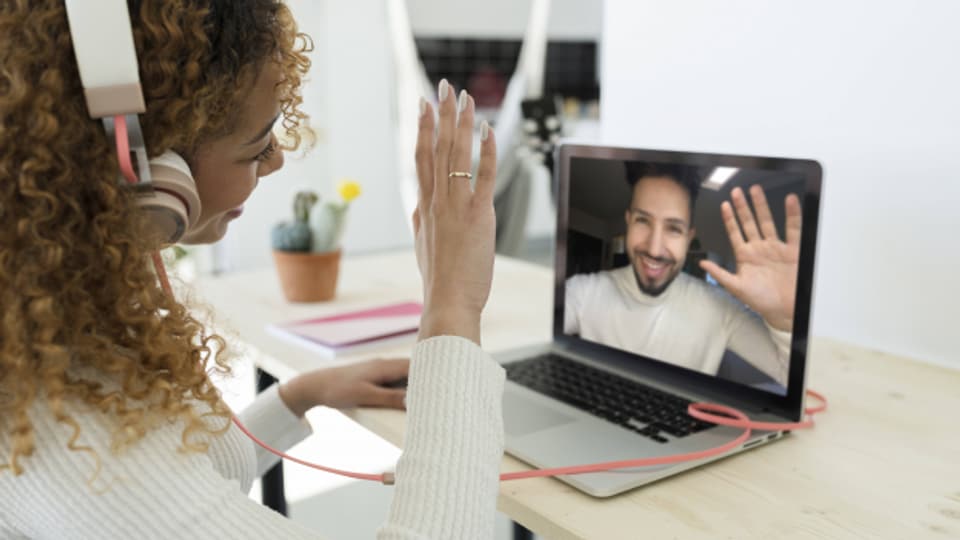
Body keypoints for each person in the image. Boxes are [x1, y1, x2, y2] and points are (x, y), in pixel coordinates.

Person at [0, 1, 503, 538]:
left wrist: (299, 395)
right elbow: (143, 492)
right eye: (255, 148)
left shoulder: (50, 328)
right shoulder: (72, 427)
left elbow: (181, 485)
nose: (276, 160)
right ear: (146, 181)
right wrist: (452, 306)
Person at [564, 162, 802, 387]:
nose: (654, 249)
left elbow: (789, 376)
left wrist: (783, 320)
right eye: (643, 221)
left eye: (674, 229)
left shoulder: (720, 309)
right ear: (628, 222)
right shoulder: (582, 293)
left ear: (689, 238)